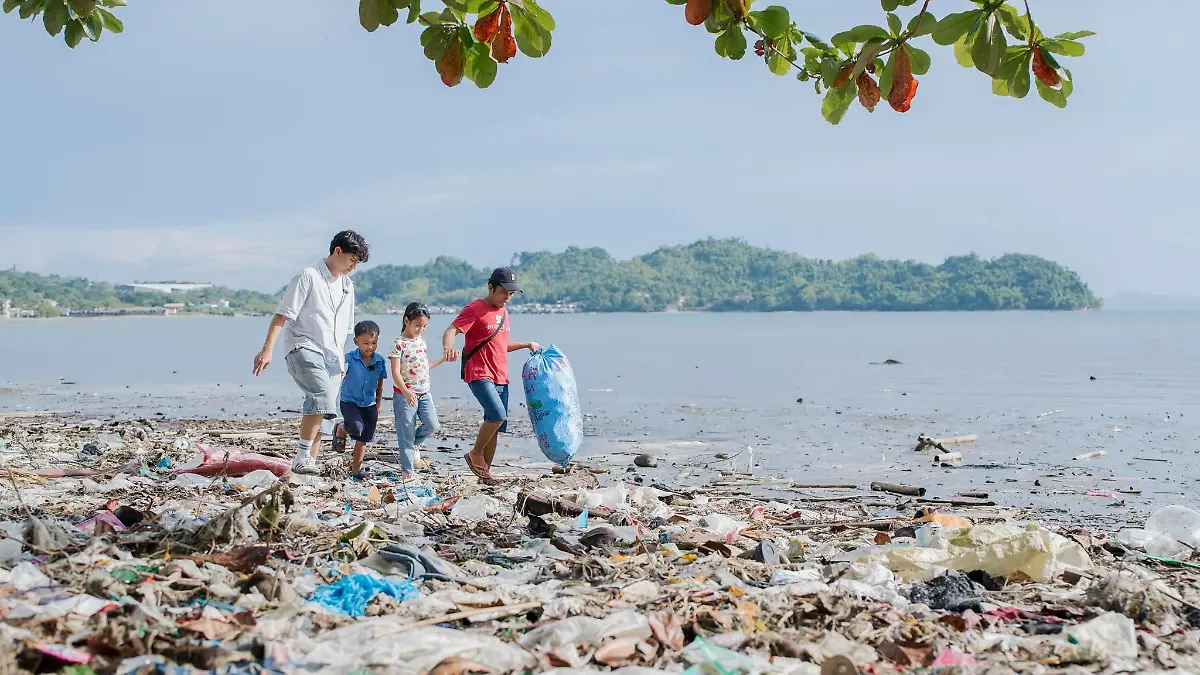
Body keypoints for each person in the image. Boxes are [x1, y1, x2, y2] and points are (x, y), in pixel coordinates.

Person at [252, 230, 368, 475]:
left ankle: (307, 468)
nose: (353, 266)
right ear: (338, 251)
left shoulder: (348, 286)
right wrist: (267, 350)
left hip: (333, 355)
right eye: (351, 260)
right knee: (321, 395)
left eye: (357, 263)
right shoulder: (308, 276)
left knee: (326, 412)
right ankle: (301, 457)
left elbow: (345, 329)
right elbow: (282, 315)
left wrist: (343, 361)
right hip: (303, 347)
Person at [442, 267, 540, 485]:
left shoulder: (505, 314)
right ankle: (475, 453)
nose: (507, 298)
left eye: (511, 294)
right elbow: (451, 330)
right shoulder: (475, 308)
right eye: (503, 292)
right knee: (497, 415)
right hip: (478, 373)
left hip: (500, 376)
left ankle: (485, 475)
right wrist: (448, 348)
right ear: (490, 287)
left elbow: (501, 344)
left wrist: (525, 344)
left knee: (494, 425)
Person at [388, 302, 445, 480]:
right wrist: (405, 392)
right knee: (406, 432)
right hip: (404, 395)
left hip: (424, 393)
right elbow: (395, 372)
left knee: (432, 424)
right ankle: (407, 471)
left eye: (424, 326)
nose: (421, 329)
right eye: (418, 325)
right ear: (407, 321)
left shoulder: (421, 341)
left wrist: (443, 359)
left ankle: (415, 445)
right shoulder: (398, 344)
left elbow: (423, 367)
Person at [331, 320, 388, 477]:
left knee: (363, 439)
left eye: (374, 343)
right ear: (356, 341)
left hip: (369, 404)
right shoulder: (348, 359)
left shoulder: (380, 361)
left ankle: (356, 470)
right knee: (356, 428)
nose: (370, 347)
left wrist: (378, 402)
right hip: (350, 402)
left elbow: (380, 383)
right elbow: (339, 375)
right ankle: (342, 428)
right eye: (365, 343)